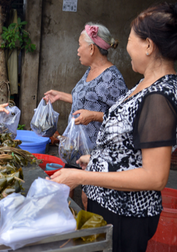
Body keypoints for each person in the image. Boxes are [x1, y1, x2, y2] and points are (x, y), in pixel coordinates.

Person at [50, 3, 177, 251]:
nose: (125, 47)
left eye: (130, 40)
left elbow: (155, 177)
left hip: (125, 213)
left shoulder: (160, 96)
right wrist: (96, 158)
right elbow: (128, 144)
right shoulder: (144, 85)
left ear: (149, 46)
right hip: (107, 203)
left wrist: (80, 176)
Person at [44, 22, 129, 208]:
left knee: (88, 198)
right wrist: (61, 95)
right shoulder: (90, 70)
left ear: (91, 48)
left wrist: (94, 116)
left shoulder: (112, 78)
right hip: (77, 146)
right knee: (66, 187)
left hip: (96, 152)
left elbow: (125, 118)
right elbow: (84, 99)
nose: (77, 50)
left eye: (79, 45)